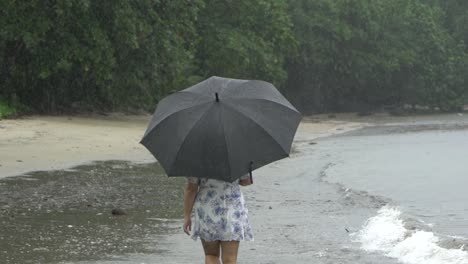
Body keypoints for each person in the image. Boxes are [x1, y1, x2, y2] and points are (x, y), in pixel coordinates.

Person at [183, 174, 254, 264]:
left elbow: (191, 189)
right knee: (230, 259)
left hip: (207, 211)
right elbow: (247, 182)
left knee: (211, 255)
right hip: (231, 211)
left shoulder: (196, 161)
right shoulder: (236, 160)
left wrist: (187, 216)